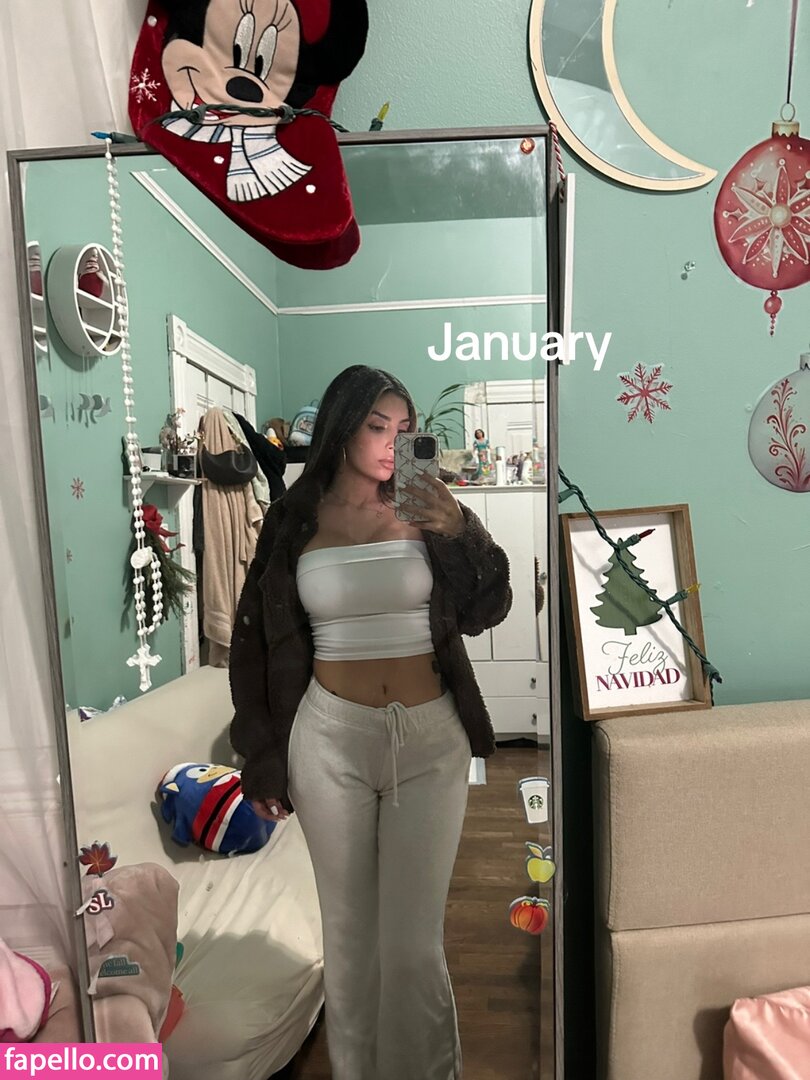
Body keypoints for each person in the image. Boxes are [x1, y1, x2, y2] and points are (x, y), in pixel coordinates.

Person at [229, 365, 512, 1080]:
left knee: (412, 947)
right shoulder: (294, 519)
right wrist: (261, 757)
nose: (392, 444)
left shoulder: (429, 508)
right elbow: (254, 644)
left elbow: (489, 607)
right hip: (329, 742)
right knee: (350, 942)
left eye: (403, 429)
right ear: (340, 429)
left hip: (431, 741)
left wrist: (460, 529)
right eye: (376, 427)